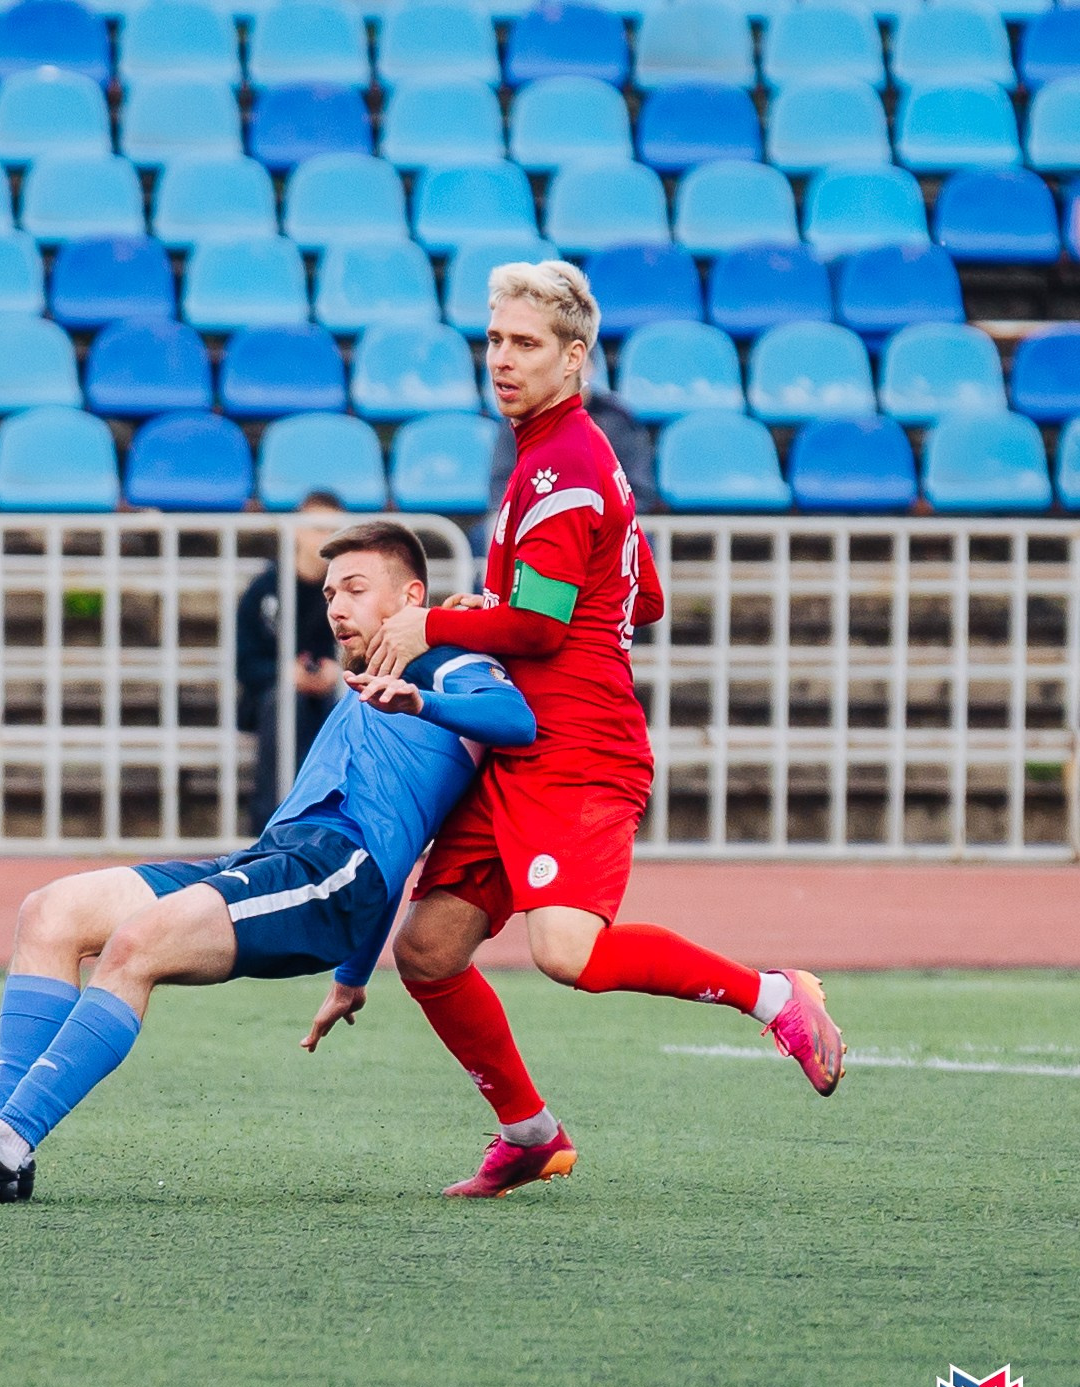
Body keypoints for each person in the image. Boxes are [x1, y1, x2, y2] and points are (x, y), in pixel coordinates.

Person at [367, 260, 844, 1199]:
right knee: (425, 950)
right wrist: (497, 602)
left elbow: (543, 629)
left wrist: (439, 622)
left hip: (576, 747)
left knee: (566, 952)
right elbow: (646, 596)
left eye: (525, 344)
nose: (501, 360)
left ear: (573, 357)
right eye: (494, 341)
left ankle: (772, 994)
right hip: (524, 741)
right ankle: (529, 1132)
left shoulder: (561, 464)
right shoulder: (572, 455)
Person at [0, 522, 535, 1202]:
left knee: (137, 943)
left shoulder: (441, 656)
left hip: (331, 870)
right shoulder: (368, 671)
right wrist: (351, 978)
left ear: (410, 594)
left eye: (354, 588)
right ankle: (1, 1150)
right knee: (50, 912)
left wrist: (421, 696)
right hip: (279, 858)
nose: (337, 606)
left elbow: (513, 716)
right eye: (327, 593)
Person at [236, 492, 345, 828]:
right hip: (272, 699)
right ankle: (271, 821)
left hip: (331, 692)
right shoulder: (266, 588)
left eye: (333, 531)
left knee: (351, 703)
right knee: (285, 704)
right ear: (297, 531)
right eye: (316, 528)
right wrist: (284, 674)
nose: (324, 539)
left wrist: (337, 674)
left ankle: (337, 820)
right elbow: (245, 662)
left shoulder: (351, 590)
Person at [484, 377, 655, 521]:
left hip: (606, 524)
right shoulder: (517, 421)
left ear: (586, 364)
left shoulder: (618, 421)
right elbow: (501, 487)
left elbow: (639, 491)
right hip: (533, 523)